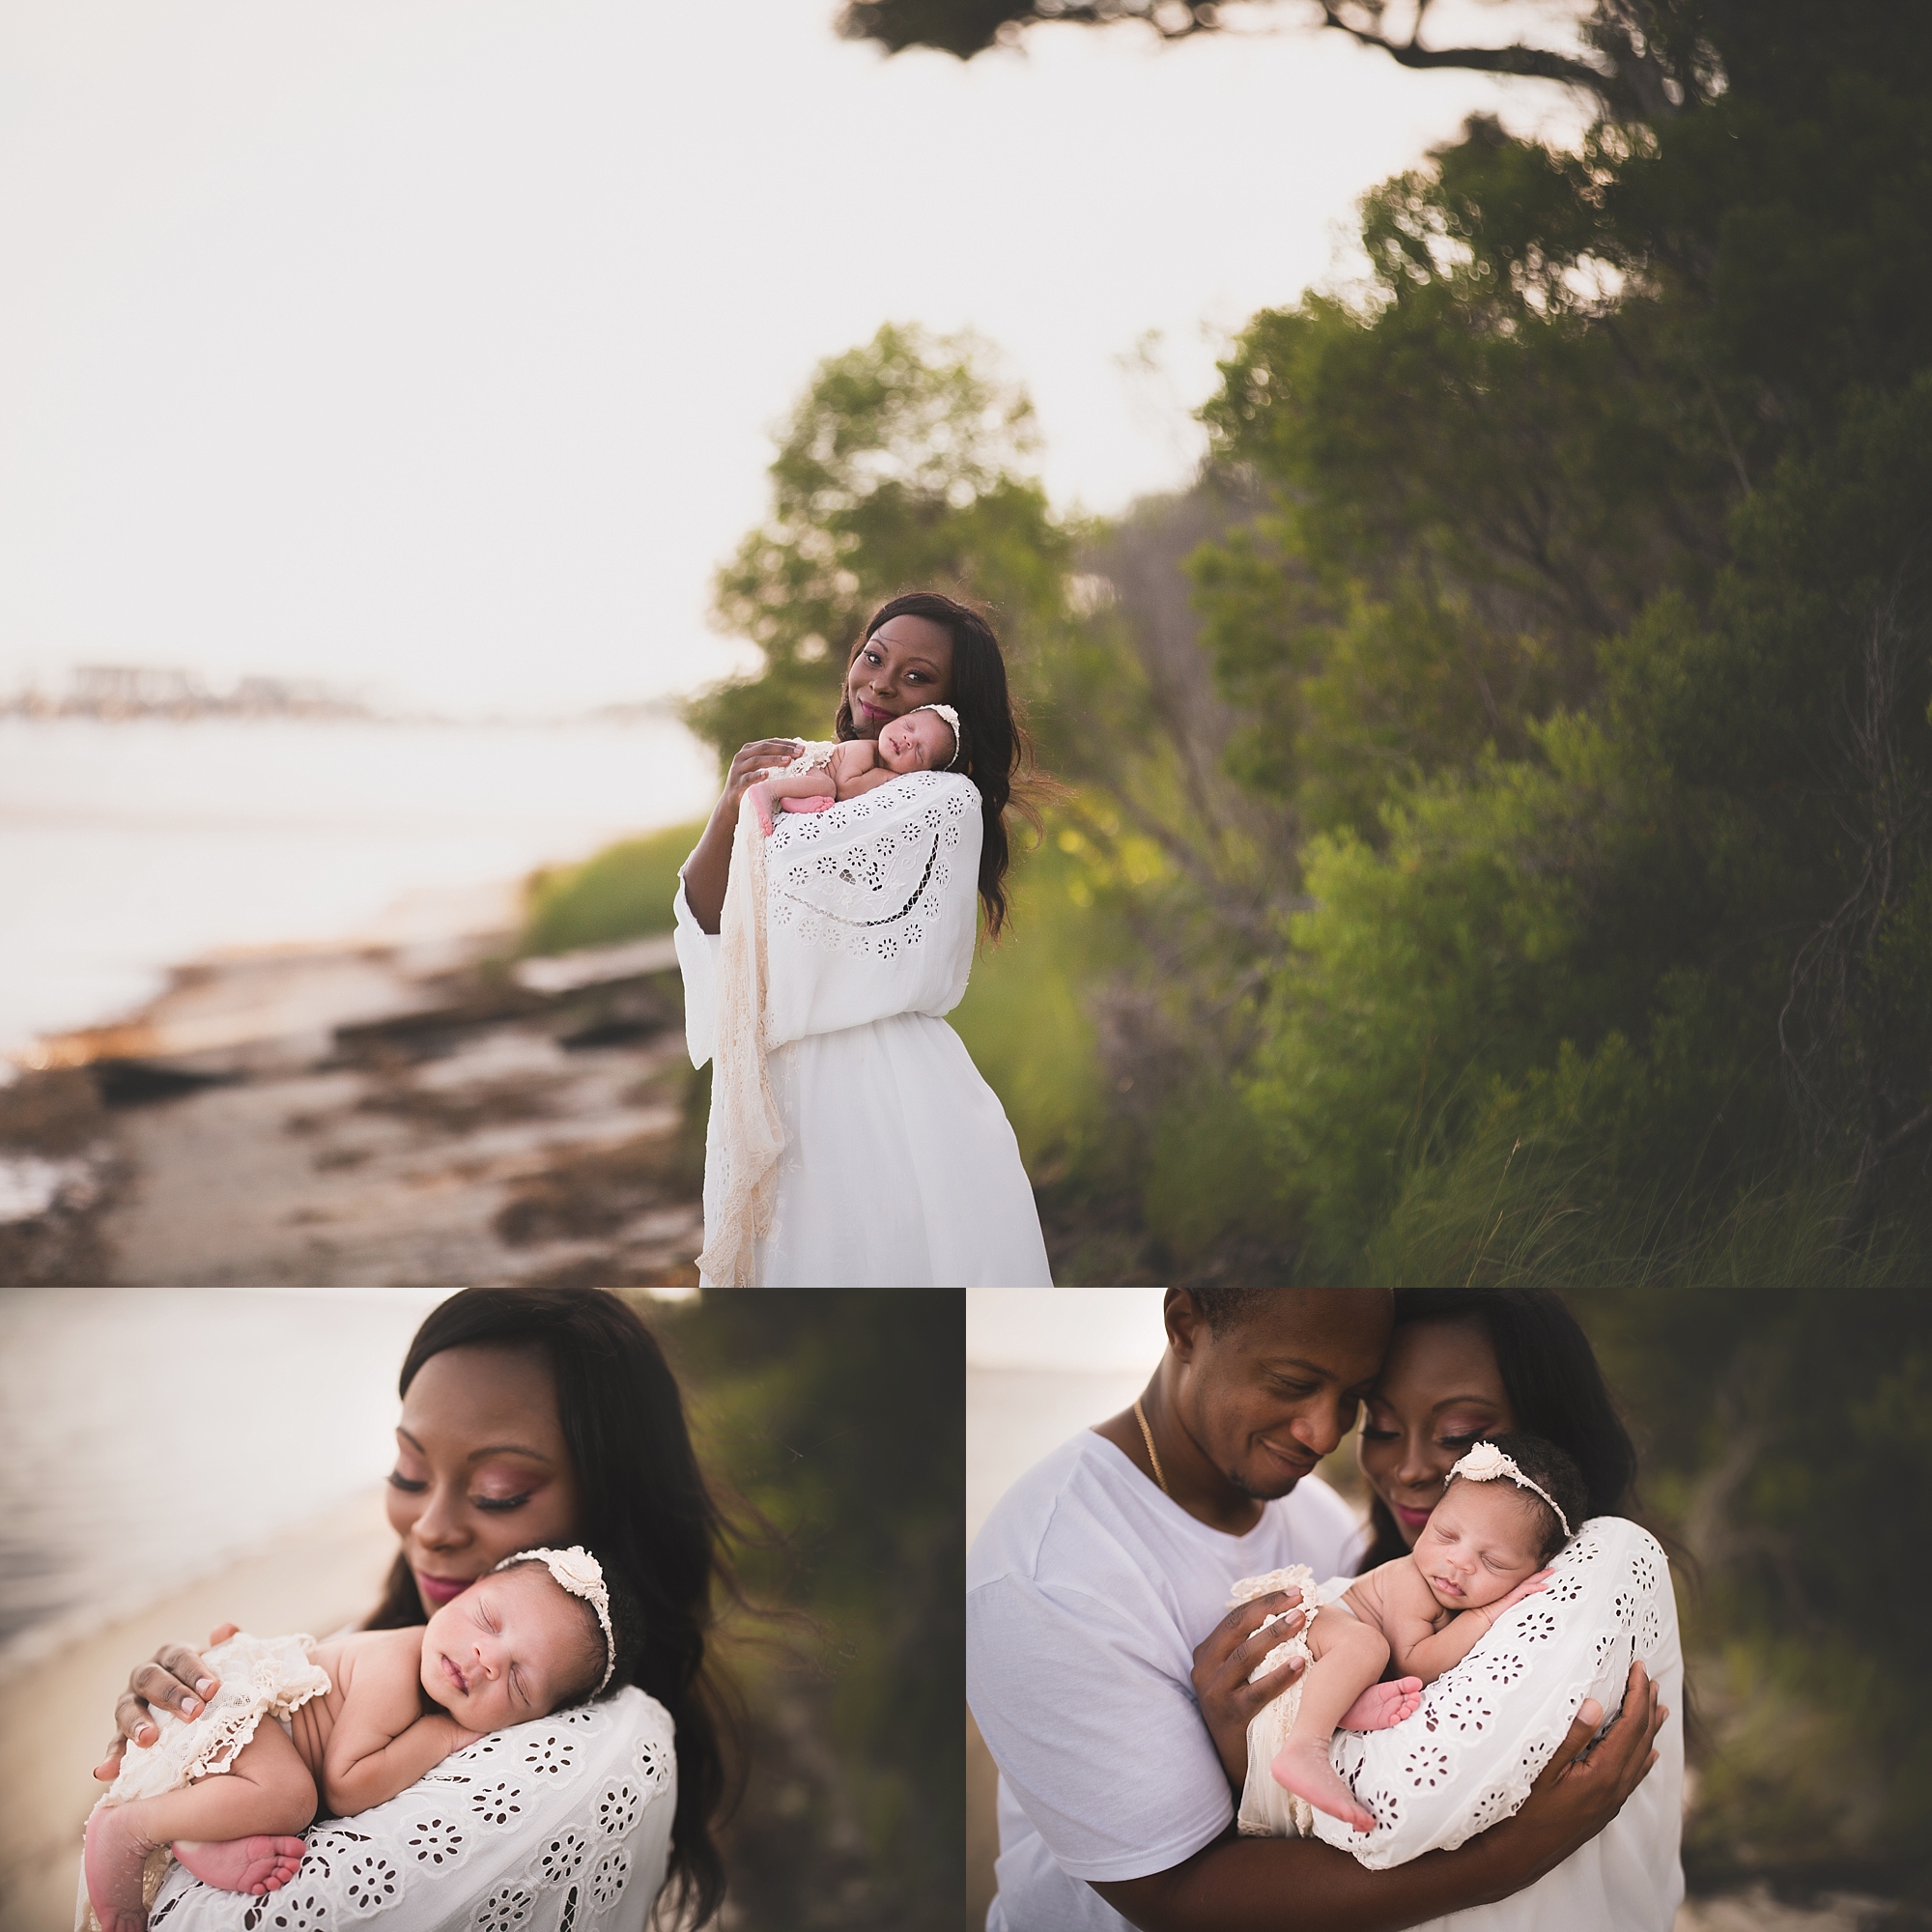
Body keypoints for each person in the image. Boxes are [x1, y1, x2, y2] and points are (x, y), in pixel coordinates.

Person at [966, 1288, 1671, 1932]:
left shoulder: (1315, 1513)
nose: (1323, 1434)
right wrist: (1499, 1861)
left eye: (1353, 1400)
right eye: (1295, 1385)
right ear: (1185, 1325)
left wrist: (1249, 1751)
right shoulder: (1045, 1572)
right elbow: (1172, 1896)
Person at [93, 1289, 742, 1931]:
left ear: (608, 1509)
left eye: (500, 1492)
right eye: (408, 1471)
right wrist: (173, 1728)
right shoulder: (398, 1648)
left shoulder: (594, 1754)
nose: (430, 1529)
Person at [674, 590, 1051, 1286]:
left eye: (917, 677)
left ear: (950, 708)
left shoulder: (942, 801)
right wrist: (731, 808)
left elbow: (802, 903)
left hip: (882, 1087)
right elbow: (706, 922)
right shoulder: (806, 771)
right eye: (874, 658)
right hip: (774, 1080)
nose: (881, 683)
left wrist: (784, 798)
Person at [83, 1548, 638, 1932]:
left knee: (279, 1798)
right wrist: (441, 1737)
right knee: (292, 1797)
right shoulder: (395, 1666)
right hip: (232, 1710)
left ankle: (200, 1841)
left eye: (518, 1680)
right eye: (486, 1620)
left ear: (533, 1721)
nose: (486, 1659)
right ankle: (130, 1829)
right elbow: (346, 1786)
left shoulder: (433, 1677)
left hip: (248, 1745)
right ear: (464, 1592)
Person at [1256, 1435, 1581, 1834]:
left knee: (1389, 1686)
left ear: (1533, 1571)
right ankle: (1306, 1747)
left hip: (1320, 1664)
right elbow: (1414, 1661)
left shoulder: (1447, 1582)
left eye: (1493, 1561)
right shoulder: (1411, 1579)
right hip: (1302, 1634)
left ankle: (1342, 1708)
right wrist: (1487, 1613)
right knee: (1367, 1646)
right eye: (1445, 1535)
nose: (1458, 1561)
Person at [746, 703, 962, 833]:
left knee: (824, 789)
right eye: (908, 726)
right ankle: (769, 790)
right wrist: (885, 776)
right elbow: (845, 787)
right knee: (828, 787)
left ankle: (794, 800)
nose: (907, 740)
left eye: (919, 752)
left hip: (805, 775)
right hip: (796, 763)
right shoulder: (865, 750)